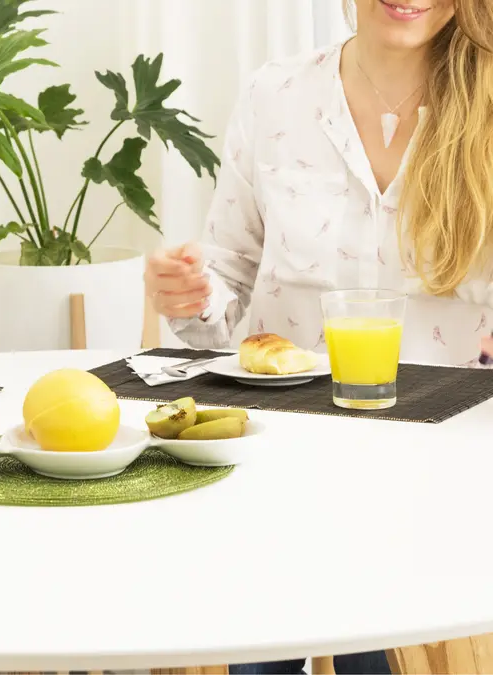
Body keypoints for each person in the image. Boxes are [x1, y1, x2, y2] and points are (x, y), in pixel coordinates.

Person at [145, 0, 491, 673]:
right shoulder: (275, 97)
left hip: (439, 487)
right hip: (281, 469)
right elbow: (225, 287)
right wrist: (192, 291)